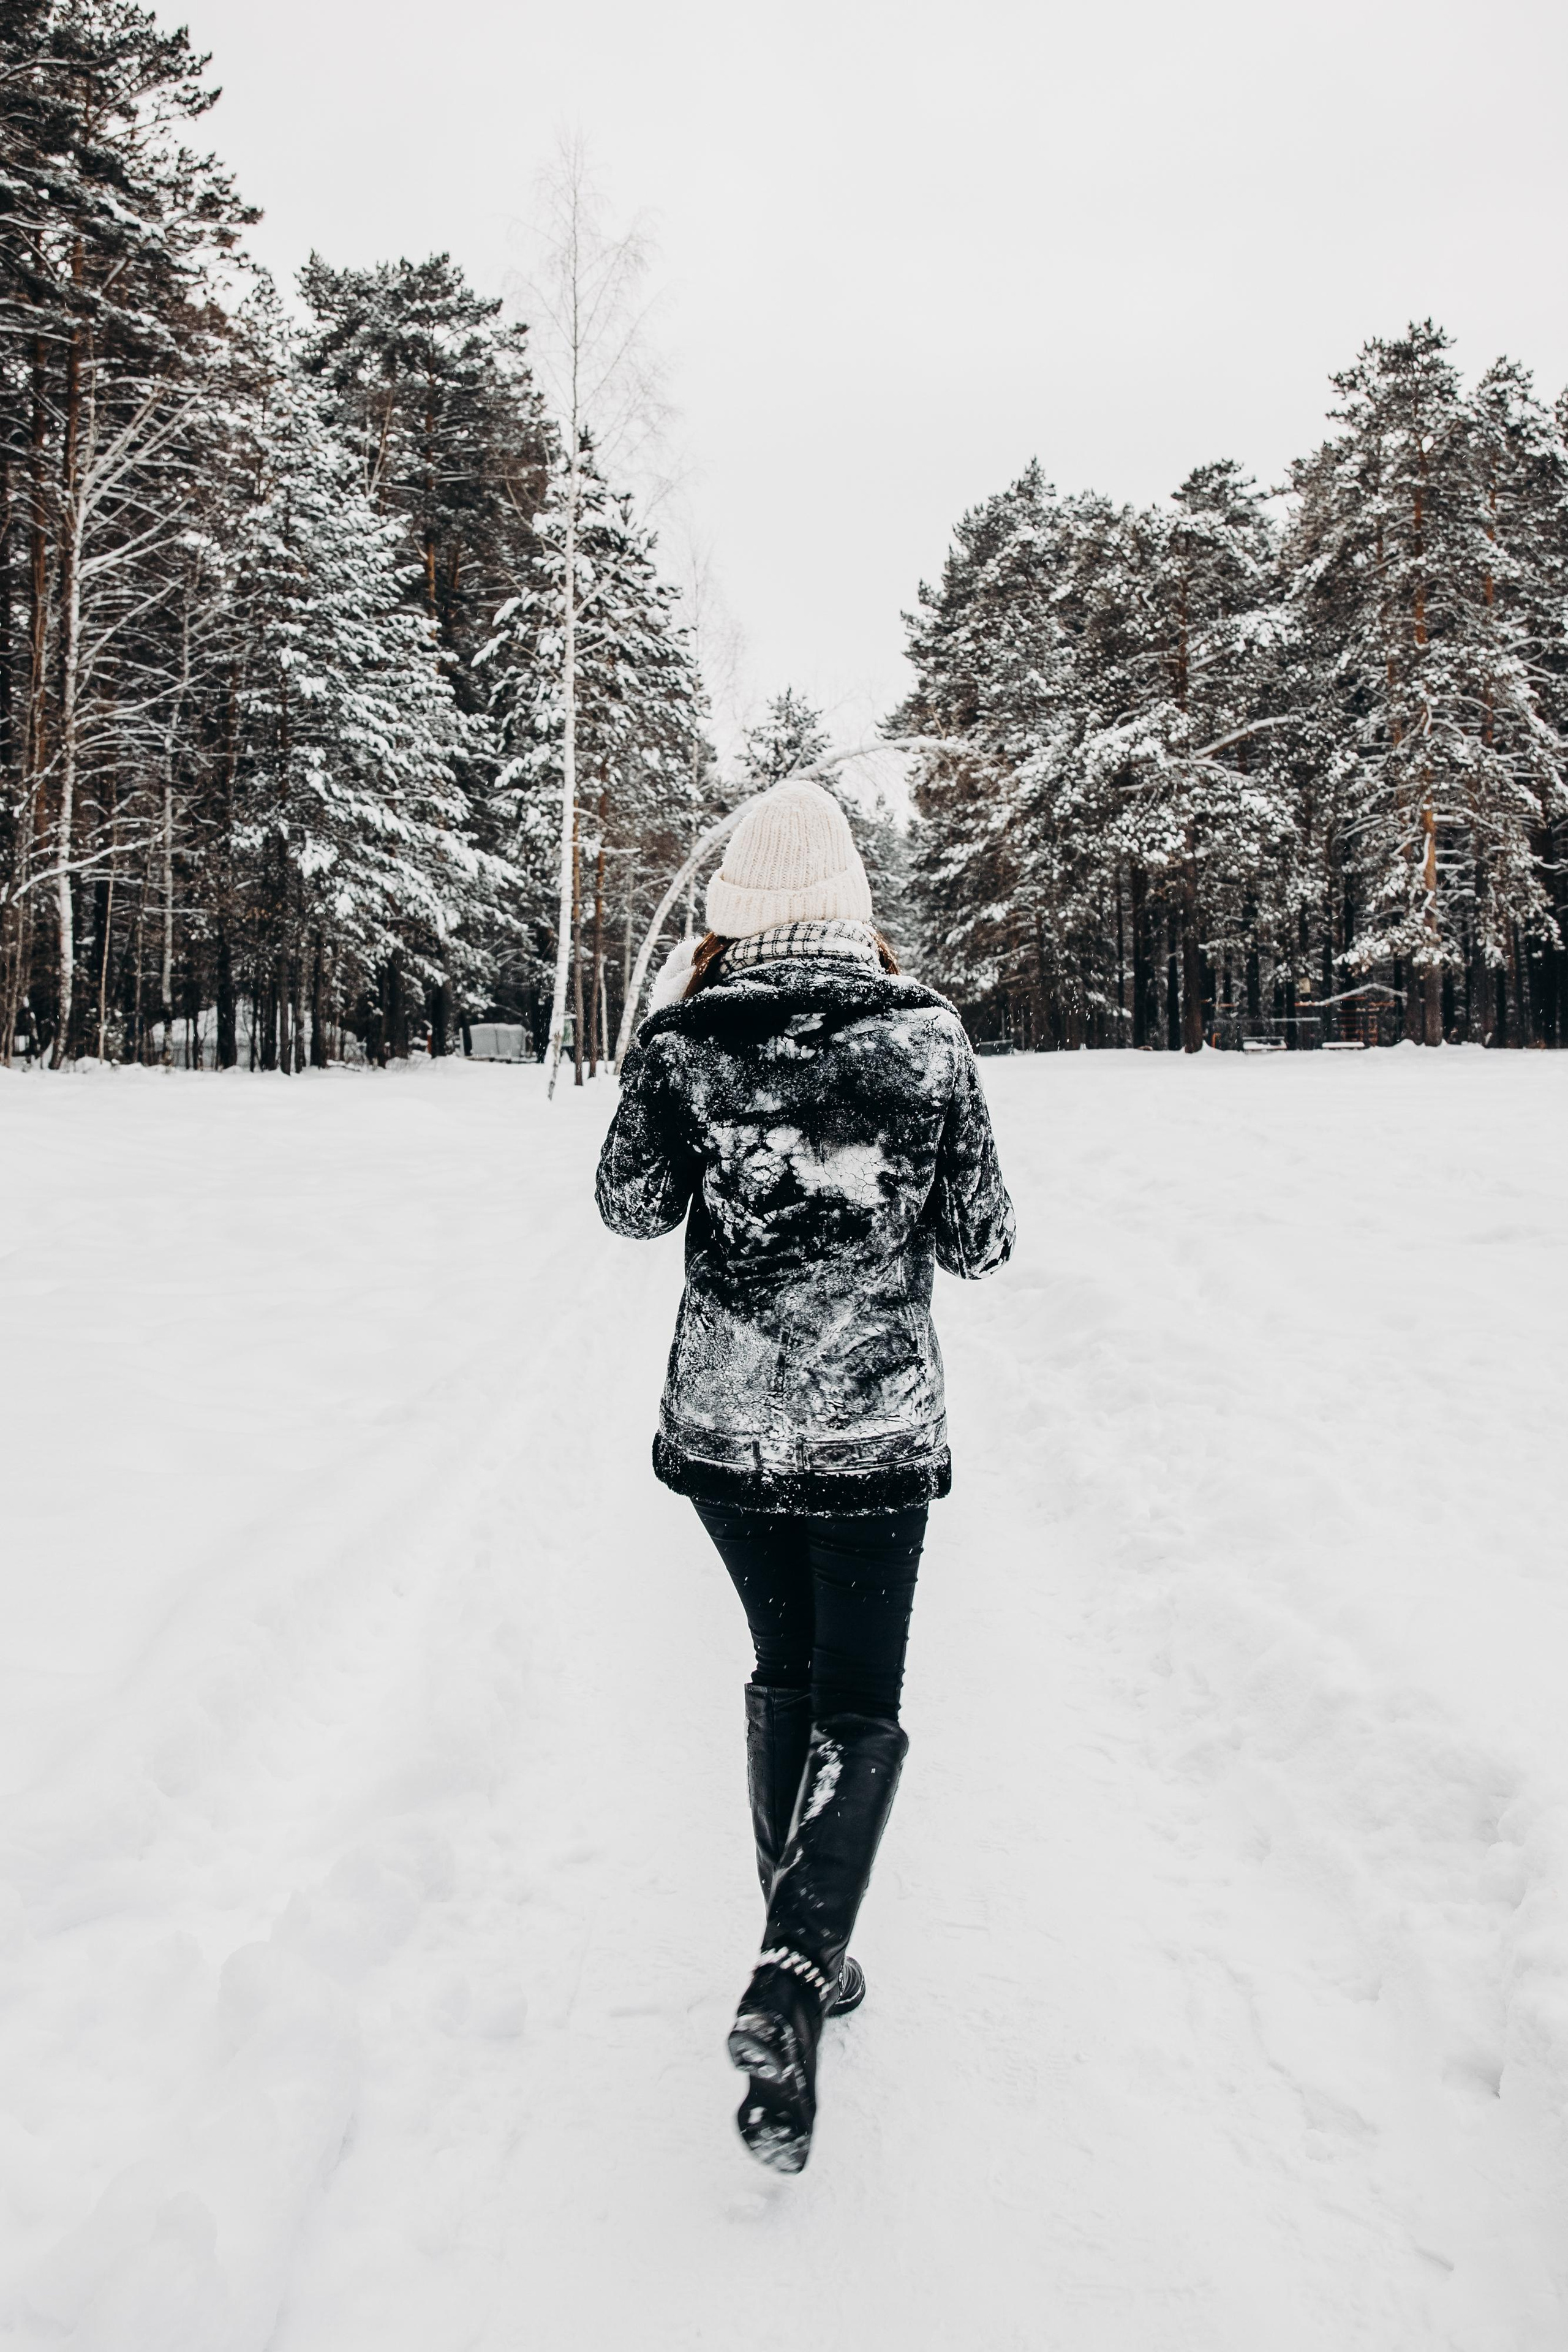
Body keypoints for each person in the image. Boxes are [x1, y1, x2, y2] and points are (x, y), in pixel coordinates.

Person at [595, 777, 1014, 2173]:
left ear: (728, 916)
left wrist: (658, 1047)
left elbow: (630, 1207)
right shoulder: (926, 1038)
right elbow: (978, 1240)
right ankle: (796, 1960)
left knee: (786, 1673)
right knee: (861, 1703)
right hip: (871, 1432)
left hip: (725, 1429)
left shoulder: (683, 1036)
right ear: (849, 907)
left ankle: (804, 1960)